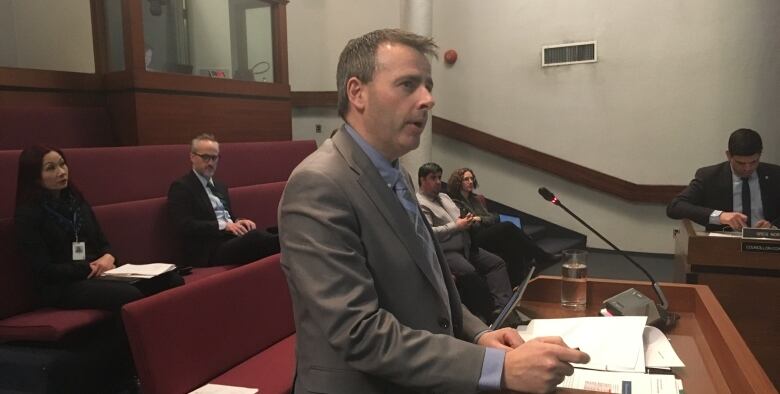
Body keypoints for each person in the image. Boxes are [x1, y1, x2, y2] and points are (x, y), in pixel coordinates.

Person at [278, 28, 588, 394]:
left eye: (428, 85)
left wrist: (479, 334)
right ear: (357, 93)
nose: (428, 99)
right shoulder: (319, 184)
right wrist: (497, 368)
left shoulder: (398, 174)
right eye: (408, 85)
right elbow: (359, 333)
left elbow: (433, 282)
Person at [13, 145, 183, 311]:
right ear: (35, 177)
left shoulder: (76, 202)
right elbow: (43, 270)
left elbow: (103, 242)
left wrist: (109, 256)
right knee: (129, 295)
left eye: (62, 164)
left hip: (98, 273)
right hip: (63, 285)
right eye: (51, 168)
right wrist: (88, 268)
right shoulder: (28, 215)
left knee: (171, 279)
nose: (61, 172)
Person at [416, 162, 512, 320]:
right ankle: (489, 314)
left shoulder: (444, 197)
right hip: (446, 251)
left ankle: (503, 308)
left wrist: (466, 220)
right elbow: (429, 233)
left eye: (439, 177)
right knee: (470, 273)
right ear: (422, 180)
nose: (438, 182)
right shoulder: (420, 203)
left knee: (497, 263)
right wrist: (456, 226)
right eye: (433, 178)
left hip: (466, 245)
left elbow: (458, 218)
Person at [167, 133, 280, 267]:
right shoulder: (182, 187)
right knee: (256, 238)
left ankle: (288, 238)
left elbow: (228, 217)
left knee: (273, 230)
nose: (210, 163)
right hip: (209, 250)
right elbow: (184, 225)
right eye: (205, 157)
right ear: (192, 157)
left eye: (214, 158)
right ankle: (291, 242)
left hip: (231, 239)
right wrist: (224, 225)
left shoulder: (220, 186)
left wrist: (238, 221)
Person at [447, 168, 557, 283]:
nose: (470, 181)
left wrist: (479, 218)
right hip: (473, 239)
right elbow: (471, 225)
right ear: (458, 182)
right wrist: (482, 220)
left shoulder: (475, 199)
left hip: (487, 233)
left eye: (471, 178)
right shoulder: (455, 202)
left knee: (513, 244)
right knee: (507, 226)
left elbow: (494, 217)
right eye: (466, 179)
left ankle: (517, 283)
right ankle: (541, 256)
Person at [667, 128, 780, 231]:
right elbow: (675, 206)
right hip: (723, 245)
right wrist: (720, 216)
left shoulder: (775, 175)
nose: (747, 168)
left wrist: (773, 227)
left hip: (767, 245)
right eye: (741, 163)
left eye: (753, 162)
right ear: (728, 155)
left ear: (760, 155)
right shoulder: (710, 176)